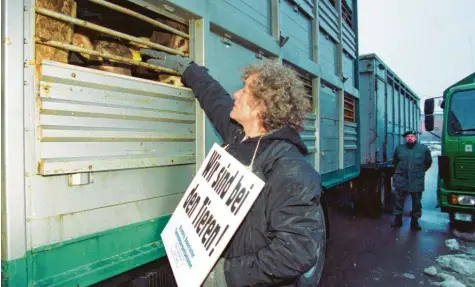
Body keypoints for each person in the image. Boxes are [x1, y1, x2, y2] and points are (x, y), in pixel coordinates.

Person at [140, 49, 325, 286]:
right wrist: (189, 69)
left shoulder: (291, 170)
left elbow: (297, 252)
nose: (236, 94)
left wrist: (225, 276)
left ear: (262, 106)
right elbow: (215, 98)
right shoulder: (240, 137)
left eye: (245, 90)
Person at [391, 130, 432, 230]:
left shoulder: (423, 149)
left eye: (412, 136)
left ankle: (415, 222)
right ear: (405, 138)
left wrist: (419, 172)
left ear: (415, 138)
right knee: (399, 200)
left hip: (416, 179)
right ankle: (397, 220)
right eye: (408, 136)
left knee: (416, 202)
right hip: (402, 178)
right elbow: (395, 162)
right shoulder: (399, 149)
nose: (410, 138)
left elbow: (428, 162)